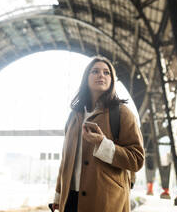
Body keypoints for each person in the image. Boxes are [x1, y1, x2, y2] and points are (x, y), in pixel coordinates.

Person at [51, 56, 144, 212]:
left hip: (106, 201)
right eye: (95, 71)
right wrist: (59, 196)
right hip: (71, 200)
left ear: (112, 80)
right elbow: (65, 160)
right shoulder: (74, 116)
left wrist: (103, 144)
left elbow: (137, 159)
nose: (101, 75)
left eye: (107, 73)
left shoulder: (122, 113)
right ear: (86, 79)